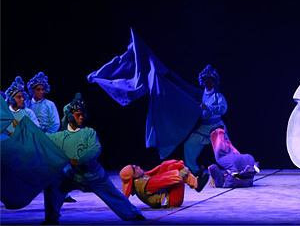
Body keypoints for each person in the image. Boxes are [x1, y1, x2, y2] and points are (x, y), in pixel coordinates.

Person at [42, 93, 145, 224]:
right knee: (53, 185)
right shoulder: (58, 137)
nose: (81, 117)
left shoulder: (89, 132)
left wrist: (79, 161)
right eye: (77, 115)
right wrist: (22, 127)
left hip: (93, 175)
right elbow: (40, 138)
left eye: (82, 115)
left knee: (113, 194)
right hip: (71, 176)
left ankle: (132, 214)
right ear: (69, 116)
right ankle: (51, 218)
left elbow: (95, 149)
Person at [26, 72, 78, 202]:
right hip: (32, 139)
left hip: (47, 138)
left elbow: (55, 123)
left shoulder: (49, 104)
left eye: (43, 89)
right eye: (38, 89)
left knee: (55, 165)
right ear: (32, 91)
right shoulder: (27, 104)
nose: (41, 92)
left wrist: (46, 136)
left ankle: (63, 193)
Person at [184, 65, 227, 176]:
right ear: (203, 82)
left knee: (223, 150)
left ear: (215, 83)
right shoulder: (200, 95)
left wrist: (207, 107)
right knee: (189, 144)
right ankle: (194, 171)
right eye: (207, 81)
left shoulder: (218, 96)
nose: (209, 83)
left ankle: (234, 169)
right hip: (203, 128)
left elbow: (223, 109)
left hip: (216, 127)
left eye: (212, 81)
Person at [119, 159, 208, 208]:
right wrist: (184, 170)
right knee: (176, 170)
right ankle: (196, 183)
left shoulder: (138, 181)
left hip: (166, 194)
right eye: (136, 168)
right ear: (134, 175)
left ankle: (196, 181)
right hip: (172, 201)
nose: (138, 167)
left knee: (167, 165)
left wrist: (170, 166)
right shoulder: (145, 184)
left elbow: (156, 172)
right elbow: (170, 179)